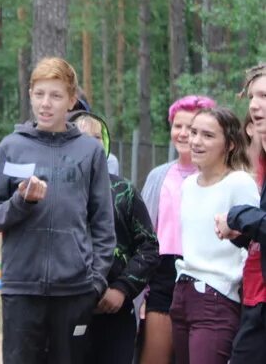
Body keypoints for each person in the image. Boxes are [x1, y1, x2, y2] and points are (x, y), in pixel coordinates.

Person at [0, 57, 115, 364]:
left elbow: (102, 224)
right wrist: (21, 202)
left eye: (55, 96)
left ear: (71, 100)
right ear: (29, 94)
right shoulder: (10, 147)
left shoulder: (90, 151)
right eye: (39, 94)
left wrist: (94, 283)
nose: (46, 103)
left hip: (75, 291)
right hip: (21, 289)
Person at [169, 107, 258, 364]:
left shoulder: (239, 182)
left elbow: (252, 246)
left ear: (229, 144)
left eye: (207, 135)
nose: (195, 140)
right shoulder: (187, 185)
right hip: (182, 292)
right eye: (194, 132)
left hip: (217, 298)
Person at [71, 112, 160, 364]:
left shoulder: (124, 192)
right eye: (81, 137)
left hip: (115, 313)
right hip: (64, 313)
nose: (91, 143)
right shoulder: (54, 191)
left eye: (97, 137)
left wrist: (122, 289)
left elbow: (149, 248)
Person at [139, 94, 216, 364]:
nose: (184, 134)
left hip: (203, 274)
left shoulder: (218, 179)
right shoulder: (158, 176)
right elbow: (144, 234)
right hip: (162, 273)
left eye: (192, 128)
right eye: (178, 126)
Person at [214, 65, 266, 363]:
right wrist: (241, 236)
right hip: (254, 297)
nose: (255, 104)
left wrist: (238, 216)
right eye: (252, 96)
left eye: (264, 96)